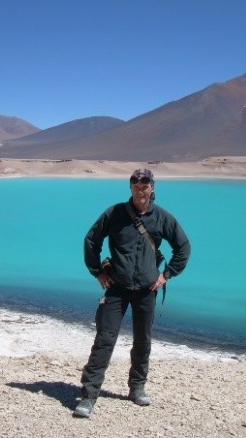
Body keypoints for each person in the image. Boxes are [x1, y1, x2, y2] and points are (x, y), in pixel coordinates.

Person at [74, 168, 191, 418]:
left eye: (145, 183)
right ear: (130, 187)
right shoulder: (115, 213)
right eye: (135, 183)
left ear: (152, 188)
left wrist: (166, 275)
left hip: (147, 289)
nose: (140, 188)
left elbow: (183, 247)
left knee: (142, 341)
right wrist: (97, 272)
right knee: (105, 340)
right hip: (116, 287)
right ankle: (88, 396)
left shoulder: (162, 218)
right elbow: (91, 240)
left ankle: (137, 388)